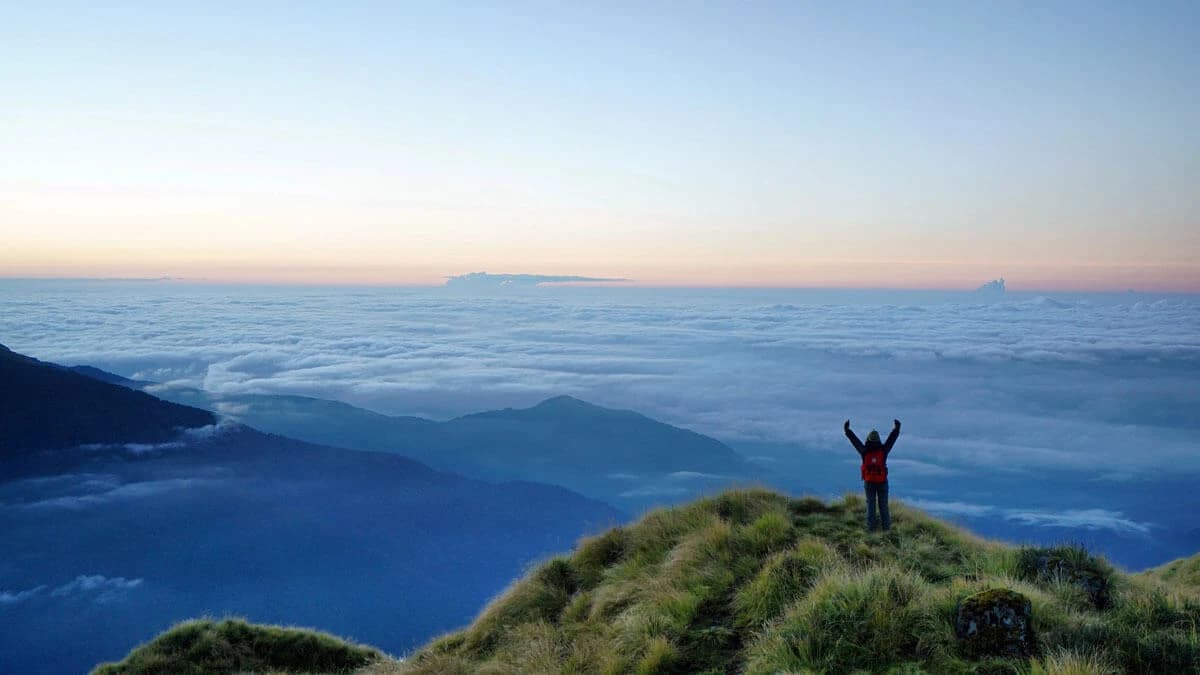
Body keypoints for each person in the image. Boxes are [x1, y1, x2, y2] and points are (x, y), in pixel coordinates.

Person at [844, 418, 901, 531]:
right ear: (878, 439)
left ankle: (871, 529)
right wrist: (896, 429)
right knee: (883, 506)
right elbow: (891, 440)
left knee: (871, 505)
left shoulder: (864, 451)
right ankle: (886, 529)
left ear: (868, 439)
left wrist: (847, 430)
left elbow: (855, 441)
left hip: (869, 482)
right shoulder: (884, 451)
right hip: (882, 482)